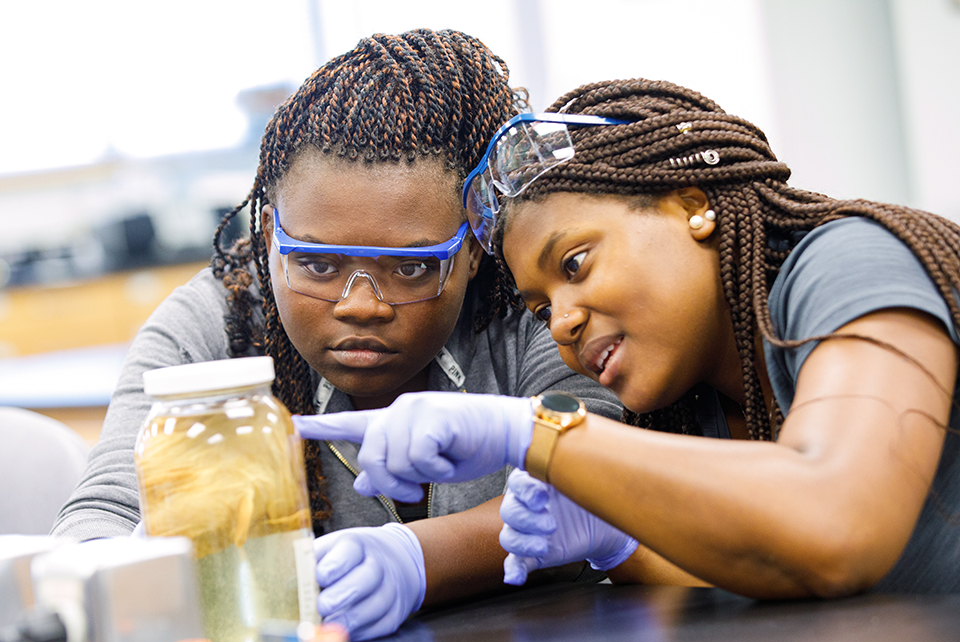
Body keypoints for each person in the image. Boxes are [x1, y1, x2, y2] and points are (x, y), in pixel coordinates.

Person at [51, 31, 621, 640]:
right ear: (270, 235)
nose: (362, 307)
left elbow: (610, 474)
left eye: (411, 267)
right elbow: (102, 515)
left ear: (473, 246)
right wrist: (119, 562)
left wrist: (418, 560)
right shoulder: (214, 322)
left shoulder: (529, 302)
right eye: (319, 264)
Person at [296, 77, 960, 598]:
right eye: (538, 308)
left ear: (690, 203)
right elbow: (762, 569)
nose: (561, 322)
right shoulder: (692, 405)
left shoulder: (847, 264)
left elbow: (838, 524)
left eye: (576, 264)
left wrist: (539, 434)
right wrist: (617, 542)